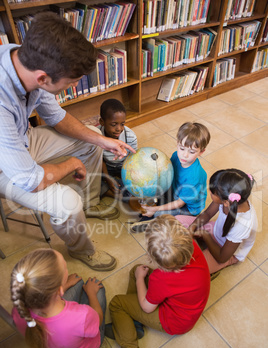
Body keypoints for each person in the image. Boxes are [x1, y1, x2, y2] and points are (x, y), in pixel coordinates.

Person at [0, 12, 135, 271]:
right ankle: (81, 250)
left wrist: (102, 140)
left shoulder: (23, 57)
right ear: (42, 78)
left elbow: (56, 116)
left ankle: (89, 203)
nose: (74, 85)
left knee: (90, 141)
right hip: (5, 166)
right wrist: (72, 163)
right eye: (70, 82)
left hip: (20, 138)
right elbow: (32, 180)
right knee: (66, 203)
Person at [101, 215, 210, 348]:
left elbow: (147, 307)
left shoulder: (161, 277)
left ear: (163, 264)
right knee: (138, 270)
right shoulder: (192, 245)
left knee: (117, 303)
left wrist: (139, 279)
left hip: (174, 321)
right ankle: (134, 324)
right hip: (189, 308)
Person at [11, 248, 107, 348]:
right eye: (65, 267)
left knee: (78, 283)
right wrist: (91, 293)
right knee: (98, 289)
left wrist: (66, 285)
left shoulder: (18, 311)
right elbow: (98, 319)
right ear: (59, 290)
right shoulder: (82, 315)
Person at [130, 122, 210, 233]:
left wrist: (155, 209)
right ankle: (153, 213)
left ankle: (153, 222)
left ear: (201, 152)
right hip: (175, 191)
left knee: (159, 213)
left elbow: (180, 204)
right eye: (182, 148)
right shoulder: (175, 156)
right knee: (154, 189)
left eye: (191, 152)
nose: (185, 155)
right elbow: (167, 173)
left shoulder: (194, 177)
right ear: (177, 143)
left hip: (188, 208)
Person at [176, 169, 258, 274]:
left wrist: (205, 235)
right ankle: (202, 244)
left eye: (212, 192)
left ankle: (210, 255)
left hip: (226, 252)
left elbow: (222, 258)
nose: (209, 192)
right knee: (176, 221)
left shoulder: (243, 224)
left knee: (190, 271)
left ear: (226, 202)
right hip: (216, 231)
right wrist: (191, 228)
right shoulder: (227, 196)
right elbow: (208, 214)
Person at [98, 99, 138, 199]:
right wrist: (108, 179)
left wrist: (128, 176)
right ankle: (114, 193)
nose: (119, 129)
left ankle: (118, 192)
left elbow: (132, 160)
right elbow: (100, 160)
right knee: (90, 179)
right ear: (102, 122)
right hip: (105, 168)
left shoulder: (130, 137)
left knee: (138, 181)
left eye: (122, 124)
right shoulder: (96, 136)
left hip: (123, 166)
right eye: (113, 124)